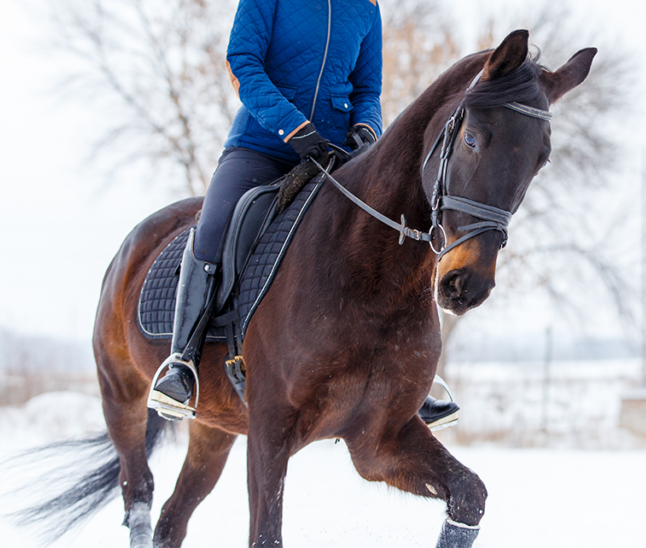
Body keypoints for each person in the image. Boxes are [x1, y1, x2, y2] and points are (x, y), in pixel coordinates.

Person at [147, 0, 459, 428]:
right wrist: (295, 129)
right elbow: (243, 63)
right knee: (214, 230)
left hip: (335, 155)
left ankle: (408, 377)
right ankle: (182, 363)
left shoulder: (366, 9)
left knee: (392, 236)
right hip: (261, 144)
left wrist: (366, 132)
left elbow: (368, 91)